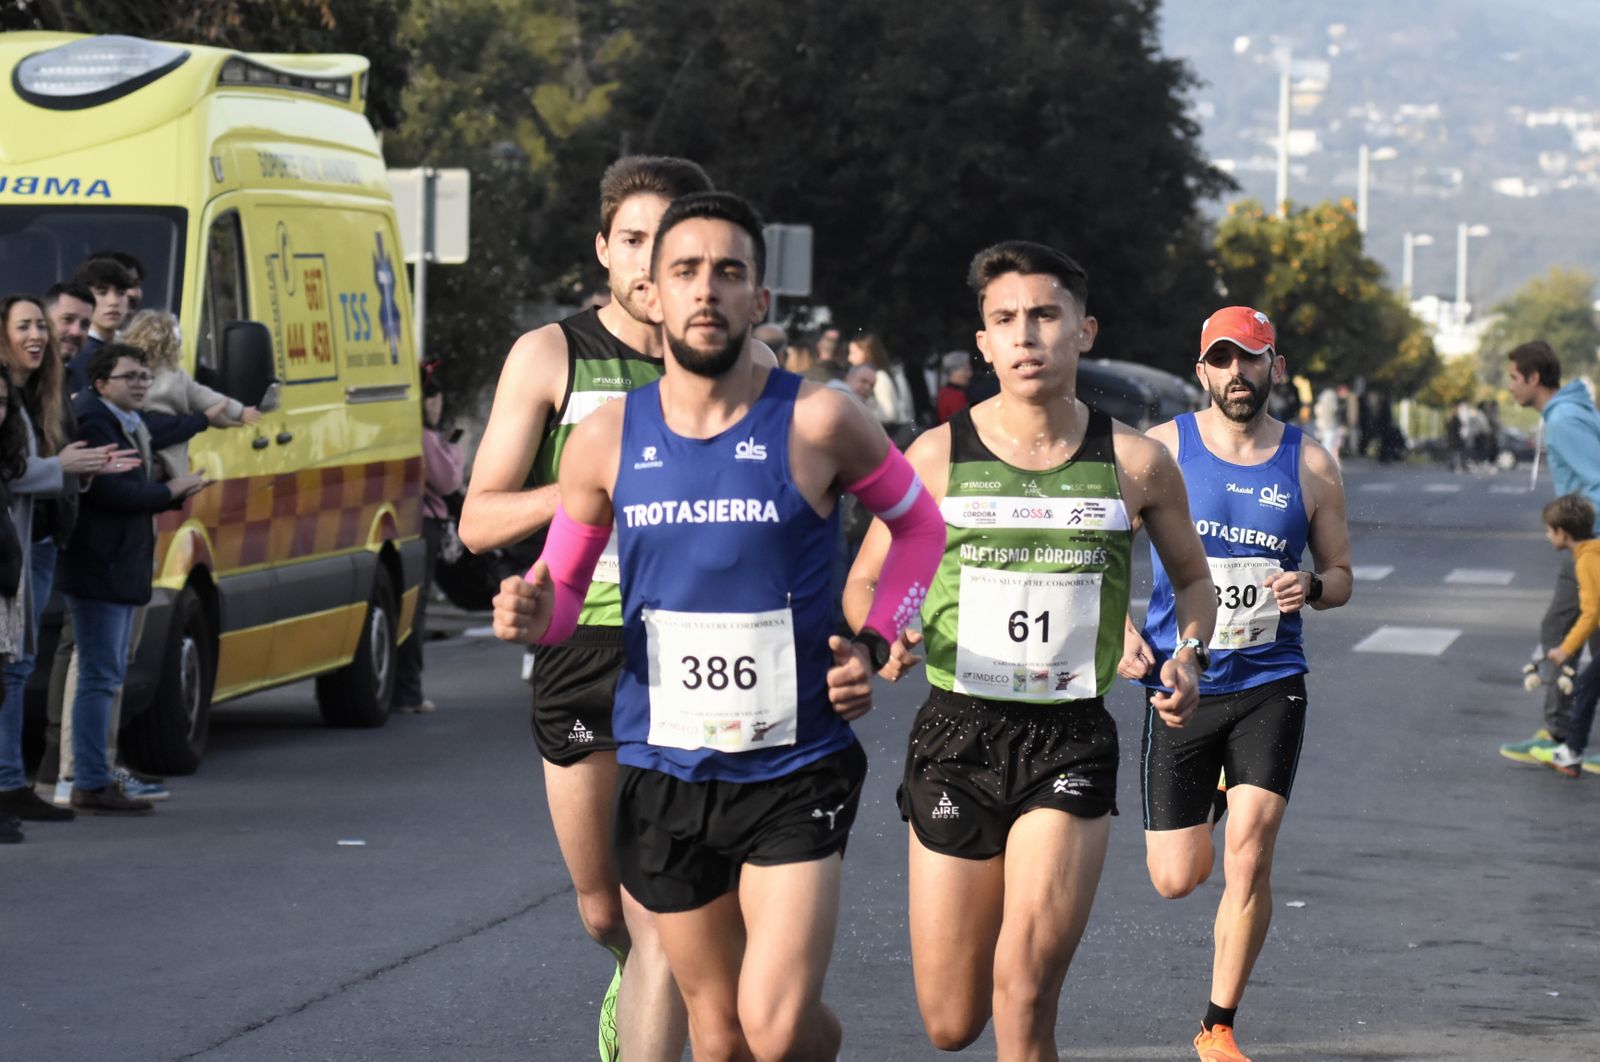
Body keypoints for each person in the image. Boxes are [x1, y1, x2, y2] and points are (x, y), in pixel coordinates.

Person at [493, 191, 945, 1061]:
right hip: (665, 773)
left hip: (795, 767)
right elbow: (563, 597)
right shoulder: (605, 440)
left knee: (774, 1028)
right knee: (720, 1031)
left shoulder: (819, 419)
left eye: (728, 272)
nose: (707, 290)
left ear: (759, 301)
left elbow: (921, 525)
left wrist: (881, 636)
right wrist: (529, 612)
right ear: (651, 295)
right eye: (685, 272)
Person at [845, 241, 1215, 1060]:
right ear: (983, 342)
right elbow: (871, 578)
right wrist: (893, 630)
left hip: (1069, 739)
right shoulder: (938, 457)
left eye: (1045, 316)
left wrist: (1187, 653)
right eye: (1005, 320)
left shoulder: (1137, 464)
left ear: (1084, 330)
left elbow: (1194, 583)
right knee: (950, 1022)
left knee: (1024, 991)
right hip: (955, 736)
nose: (1026, 336)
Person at [459, 154, 716, 1062]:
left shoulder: (739, 362)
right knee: (605, 906)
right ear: (603, 247)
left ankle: (669, 983)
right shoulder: (552, 355)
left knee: (662, 908)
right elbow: (478, 517)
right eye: (634, 241)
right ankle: (639, 968)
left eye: (672, 244)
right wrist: (583, 492)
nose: (652, 265)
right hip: (581, 647)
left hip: (694, 651)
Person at [1121, 305, 1352, 1062]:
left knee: (1251, 852)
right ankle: (1213, 795)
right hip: (1183, 679)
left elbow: (1343, 576)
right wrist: (1117, 631)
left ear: (1274, 367)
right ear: (1203, 373)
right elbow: (1098, 549)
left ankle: (1217, 1025)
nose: (1238, 374)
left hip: (1271, 679)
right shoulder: (1162, 451)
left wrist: (1313, 589)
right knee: (1176, 877)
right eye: (1222, 360)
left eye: (1251, 359)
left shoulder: (1311, 464)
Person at [61, 343, 206, 815]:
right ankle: (89, 778)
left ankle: (98, 774)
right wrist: (169, 489)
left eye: (146, 376)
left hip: (121, 565)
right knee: (99, 675)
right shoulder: (94, 419)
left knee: (109, 672)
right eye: (131, 377)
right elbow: (107, 491)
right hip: (100, 565)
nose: (142, 383)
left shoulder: (125, 420)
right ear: (102, 383)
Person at [0, 295, 122, 823]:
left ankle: (11, 784)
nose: (38, 336)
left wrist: (82, 469)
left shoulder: (40, 392)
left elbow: (35, 466)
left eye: (39, 328)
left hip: (39, 542)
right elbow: (11, 470)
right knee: (10, 668)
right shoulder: (5, 391)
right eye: (24, 326)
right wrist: (60, 467)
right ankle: (7, 785)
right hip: (12, 547)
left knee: (19, 665)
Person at [1500, 340, 1600, 767]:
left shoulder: (1563, 421)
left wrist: (1585, 541)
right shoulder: (1566, 413)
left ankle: (1560, 735)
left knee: (1560, 629)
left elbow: (1597, 478)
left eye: (1513, 379)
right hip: (1587, 538)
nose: (1509, 389)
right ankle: (1566, 735)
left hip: (1590, 541)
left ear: (1534, 378)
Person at [393, 363, 464, 714]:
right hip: (423, 524)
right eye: (433, 399)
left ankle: (397, 688)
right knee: (414, 609)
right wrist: (453, 450)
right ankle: (408, 692)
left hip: (401, 523)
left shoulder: (403, 431)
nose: (437, 405)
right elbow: (448, 480)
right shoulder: (424, 436)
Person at [121, 309, 257, 479]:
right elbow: (207, 398)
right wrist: (240, 411)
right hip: (169, 452)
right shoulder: (176, 375)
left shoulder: (124, 370)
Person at [1532, 494, 1600, 776]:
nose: (1548, 536)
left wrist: (1566, 649)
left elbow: (1591, 613)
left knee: (1585, 686)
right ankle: (1571, 751)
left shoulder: (1585, 561)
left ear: (1563, 533)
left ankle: (1571, 753)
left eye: (1549, 530)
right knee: (1589, 685)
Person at [847, 332, 914, 436]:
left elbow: (889, 414)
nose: (850, 358)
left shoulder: (880, 376)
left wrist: (860, 414)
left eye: (854, 353)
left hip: (896, 435)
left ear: (867, 352)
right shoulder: (885, 373)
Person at [43, 283, 95, 368]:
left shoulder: (85, 378)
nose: (76, 332)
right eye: (67, 319)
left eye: (84, 325)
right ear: (44, 319)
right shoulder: (20, 377)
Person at [935, 350, 972, 423]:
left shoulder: (944, 392)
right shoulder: (954, 396)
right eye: (966, 369)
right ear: (954, 372)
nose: (970, 373)